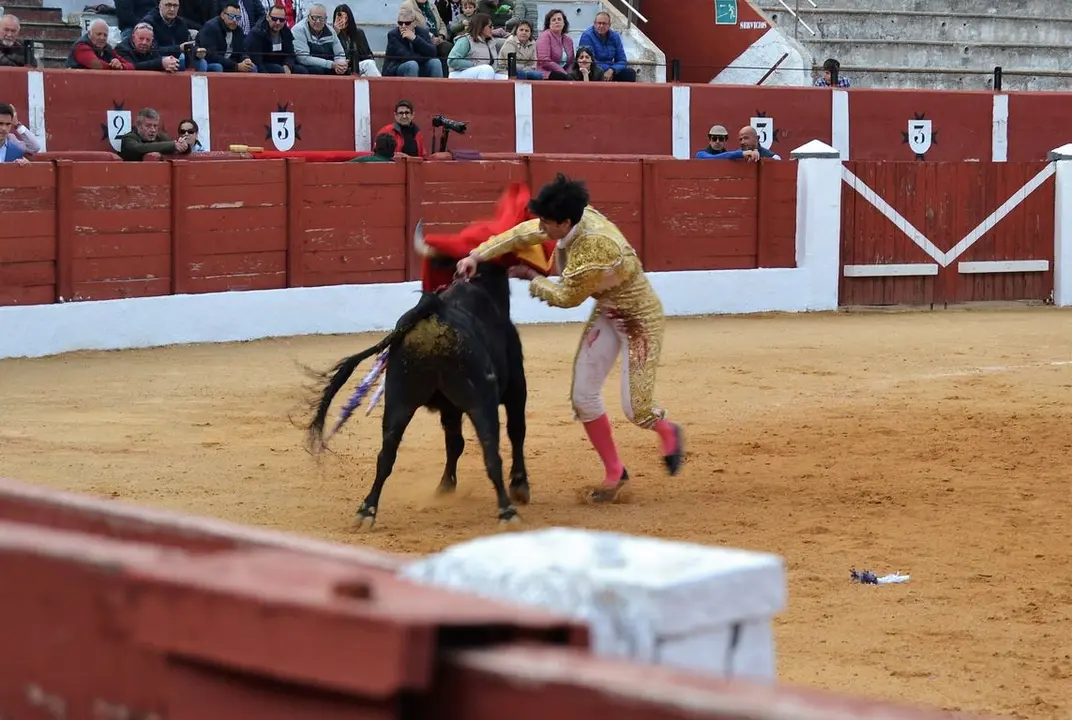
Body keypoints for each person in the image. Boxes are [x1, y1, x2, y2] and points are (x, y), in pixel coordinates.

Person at [455, 174, 685, 502]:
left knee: (637, 409)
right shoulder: (571, 219)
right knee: (583, 397)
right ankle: (614, 471)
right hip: (609, 311)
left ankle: (667, 430)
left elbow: (566, 297)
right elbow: (523, 232)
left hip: (639, 320)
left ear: (565, 222)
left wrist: (533, 277)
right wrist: (477, 256)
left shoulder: (597, 246)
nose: (541, 230)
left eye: (547, 224)